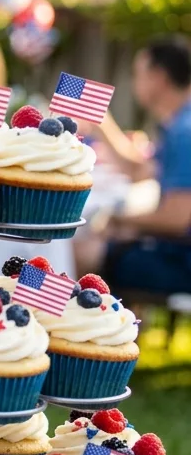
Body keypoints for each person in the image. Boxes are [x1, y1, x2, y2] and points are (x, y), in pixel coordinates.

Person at [84, 35, 191, 292]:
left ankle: (80, 327)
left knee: (84, 252)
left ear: (158, 77)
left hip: (183, 262)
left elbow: (178, 219)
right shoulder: (180, 123)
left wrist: (119, 221)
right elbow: (141, 170)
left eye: (138, 73)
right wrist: (103, 126)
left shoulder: (184, 131)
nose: (134, 83)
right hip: (178, 253)